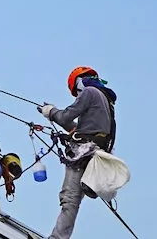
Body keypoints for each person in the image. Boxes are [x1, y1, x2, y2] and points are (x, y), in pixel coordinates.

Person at [38, 66, 117, 239]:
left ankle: (57, 238)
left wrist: (51, 111)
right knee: (72, 200)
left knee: (69, 199)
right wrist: (53, 114)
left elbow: (66, 117)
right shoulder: (105, 100)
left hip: (83, 153)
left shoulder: (89, 92)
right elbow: (76, 128)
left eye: (75, 90)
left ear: (79, 81)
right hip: (94, 153)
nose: (77, 95)